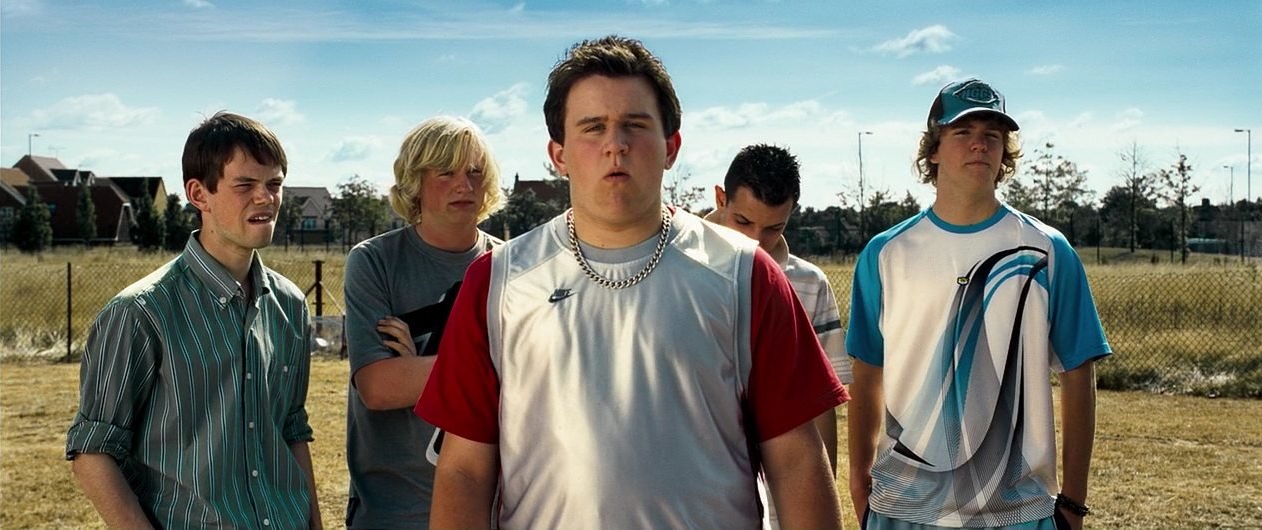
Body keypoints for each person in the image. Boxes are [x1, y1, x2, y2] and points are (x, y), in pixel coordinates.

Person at [415, 35, 848, 529]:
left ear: (671, 147)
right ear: (558, 154)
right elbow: (465, 471)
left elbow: (796, 461)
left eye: (635, 125)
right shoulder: (498, 281)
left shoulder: (745, 274)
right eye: (593, 127)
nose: (615, 145)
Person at [846, 78, 1109, 530]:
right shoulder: (885, 253)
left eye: (992, 135)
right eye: (962, 132)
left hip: (1017, 512)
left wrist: (1074, 501)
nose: (979, 145)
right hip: (904, 508)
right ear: (933, 149)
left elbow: (1078, 372)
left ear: (1005, 152)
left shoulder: (1048, 249)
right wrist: (858, 478)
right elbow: (867, 373)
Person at [66, 111, 322, 529]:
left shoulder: (291, 305)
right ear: (199, 194)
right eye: (245, 185)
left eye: (274, 184)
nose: (266, 198)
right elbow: (93, 454)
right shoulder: (139, 313)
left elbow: (292, 430)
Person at [342, 115, 504, 528]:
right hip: (392, 511)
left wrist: (417, 367)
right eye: (446, 172)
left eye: (474, 171)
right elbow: (378, 387)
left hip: (487, 507)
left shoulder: (512, 266)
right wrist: (496, 363)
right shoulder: (374, 261)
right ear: (414, 182)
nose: (464, 185)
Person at [705, 142, 853, 529]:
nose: (756, 240)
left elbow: (820, 405)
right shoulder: (679, 272)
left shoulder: (809, 284)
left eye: (774, 228)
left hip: (783, 494)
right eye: (743, 221)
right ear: (720, 198)